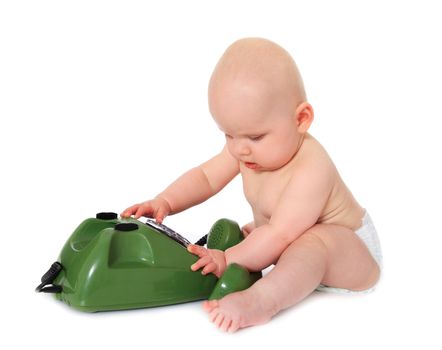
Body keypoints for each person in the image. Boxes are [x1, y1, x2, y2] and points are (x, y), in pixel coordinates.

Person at [121, 37, 382, 333]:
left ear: (301, 119)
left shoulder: (312, 168)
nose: (240, 150)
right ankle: (247, 249)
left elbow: (282, 234)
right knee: (257, 233)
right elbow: (206, 177)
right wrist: (165, 201)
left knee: (310, 244)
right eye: (228, 135)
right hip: (282, 236)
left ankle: (262, 300)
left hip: (351, 252)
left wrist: (227, 258)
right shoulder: (248, 149)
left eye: (255, 137)